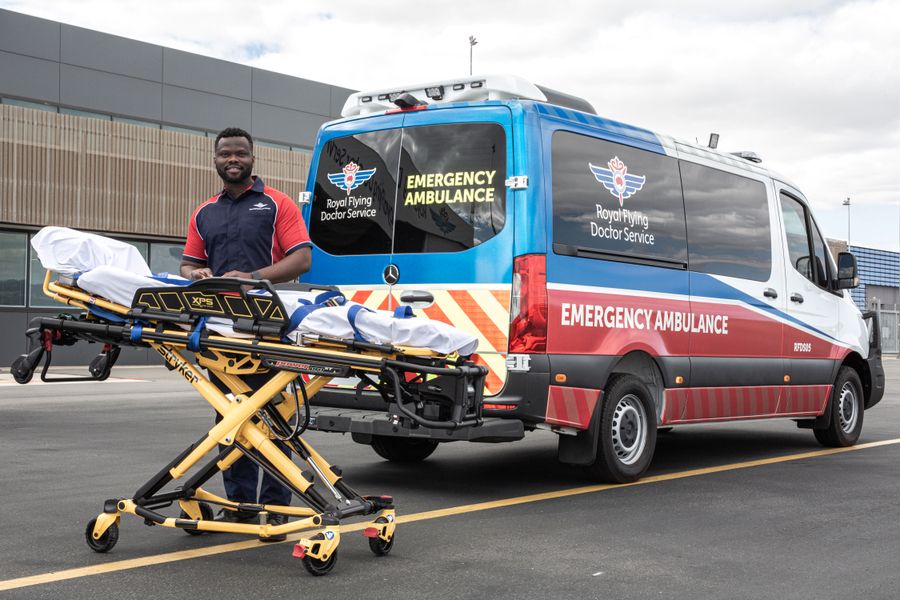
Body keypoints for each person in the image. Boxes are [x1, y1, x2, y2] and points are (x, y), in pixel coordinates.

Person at [180, 127, 311, 542]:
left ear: (253, 158)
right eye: (225, 154)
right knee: (230, 417)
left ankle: (275, 509)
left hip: (270, 328)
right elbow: (188, 263)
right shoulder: (204, 212)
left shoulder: (277, 204)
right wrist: (196, 273)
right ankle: (240, 506)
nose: (232, 159)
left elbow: (301, 260)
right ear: (215, 160)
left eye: (240, 153)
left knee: (274, 419)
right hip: (221, 332)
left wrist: (251, 278)